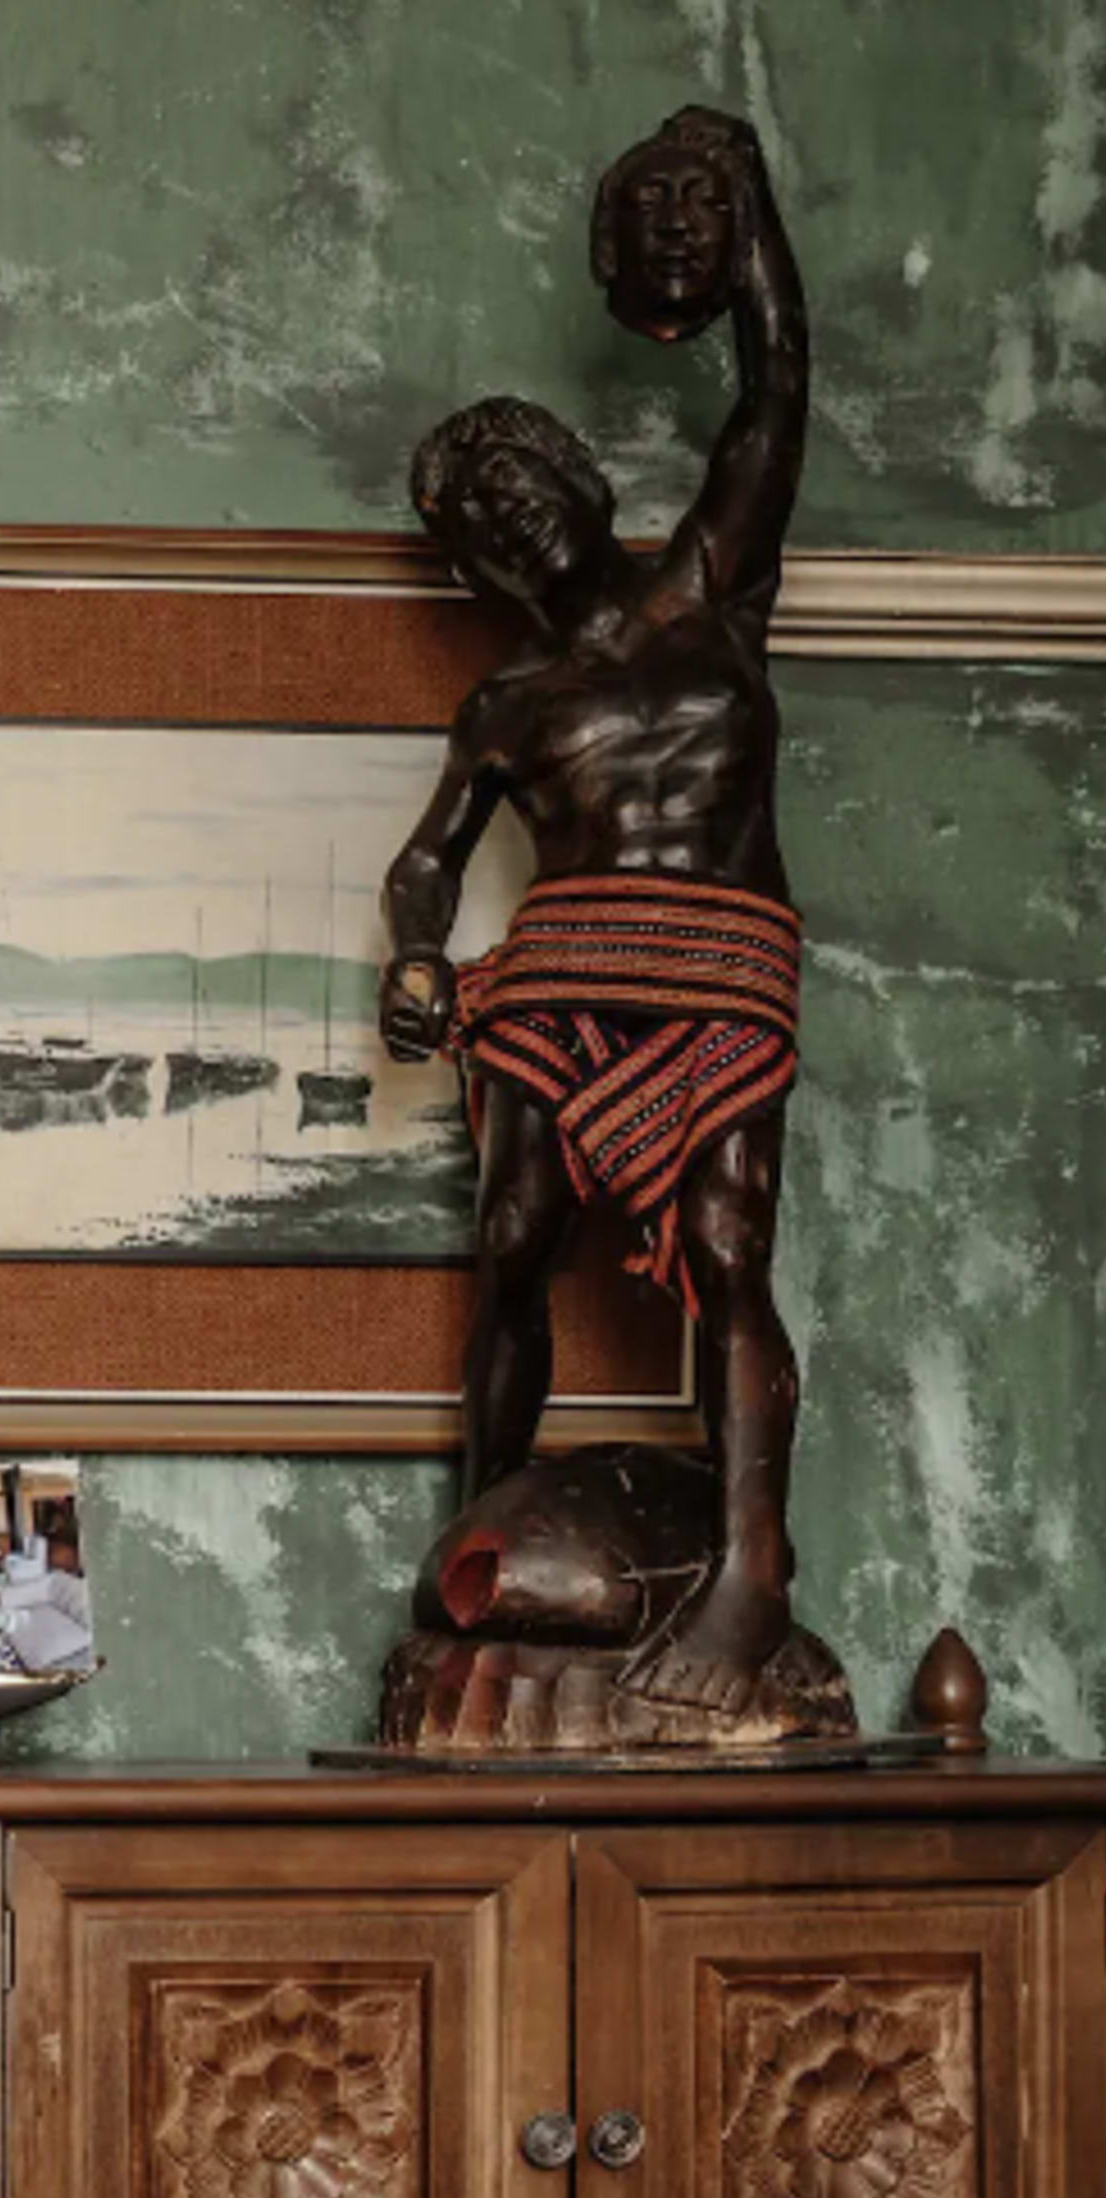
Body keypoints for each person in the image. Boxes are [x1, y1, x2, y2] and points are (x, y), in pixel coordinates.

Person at [378, 106, 807, 1721]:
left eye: (513, 482)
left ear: (575, 472)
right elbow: (430, 860)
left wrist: (739, 192)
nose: (505, 520)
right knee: (505, 1244)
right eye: (473, 522)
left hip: (716, 966)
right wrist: (418, 955)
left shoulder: (712, 579)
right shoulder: (505, 701)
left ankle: (751, 1582)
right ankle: (469, 1547)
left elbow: (776, 381)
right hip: (561, 978)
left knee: (722, 1248)